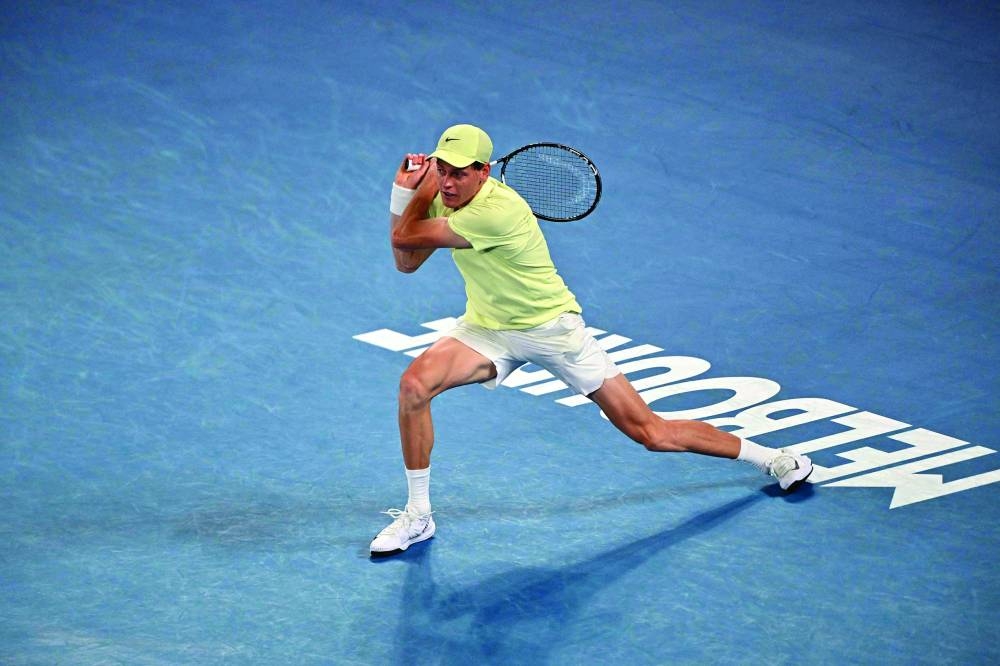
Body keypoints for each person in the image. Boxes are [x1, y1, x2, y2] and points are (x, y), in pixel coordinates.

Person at [371, 124, 812, 556]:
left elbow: (401, 235)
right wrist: (406, 195)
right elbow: (405, 263)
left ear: (484, 172)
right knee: (414, 387)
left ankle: (772, 458)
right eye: (442, 169)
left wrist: (413, 192)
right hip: (487, 329)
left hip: (552, 331)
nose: (448, 181)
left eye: (459, 172)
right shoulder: (446, 198)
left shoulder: (496, 212)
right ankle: (419, 514)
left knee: (651, 433)